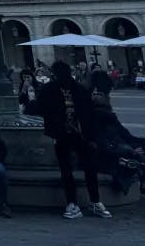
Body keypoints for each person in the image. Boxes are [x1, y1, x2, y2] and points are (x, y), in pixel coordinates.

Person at [30, 59, 112, 219]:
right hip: (76, 135)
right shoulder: (76, 89)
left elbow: (39, 109)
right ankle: (94, 202)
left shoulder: (53, 89)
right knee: (87, 169)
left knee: (68, 170)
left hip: (69, 135)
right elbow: (89, 114)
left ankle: (74, 204)